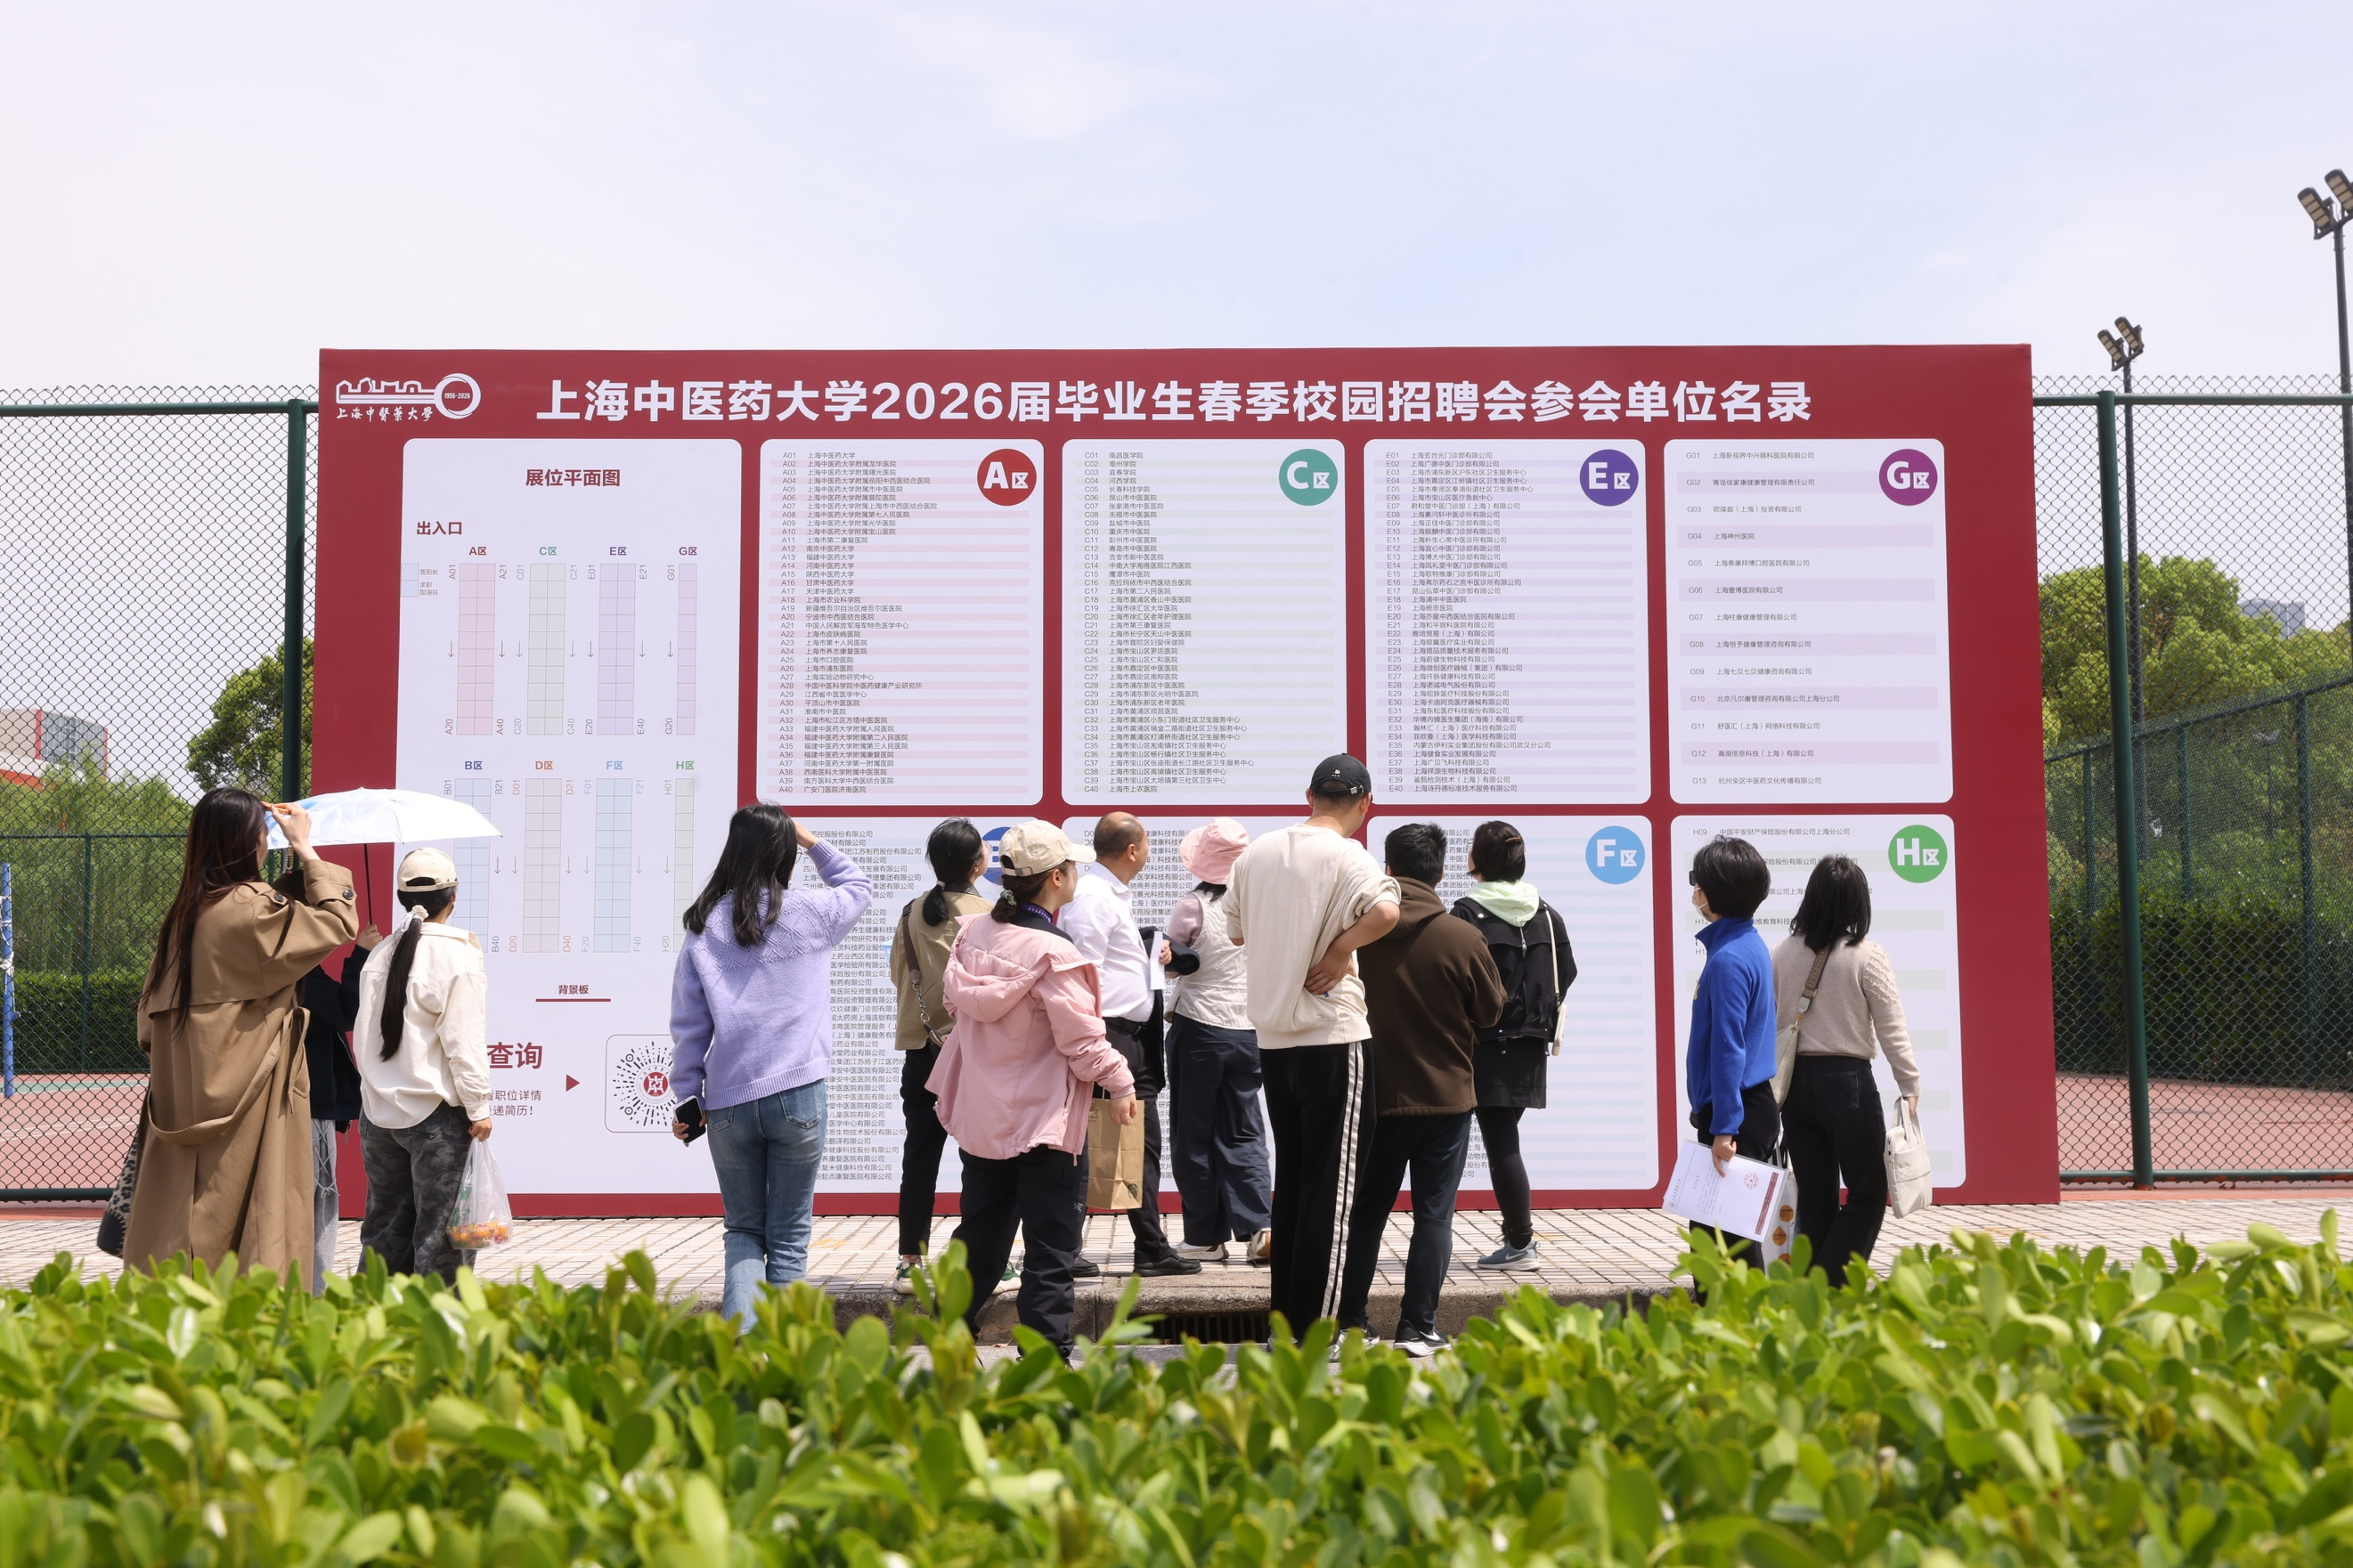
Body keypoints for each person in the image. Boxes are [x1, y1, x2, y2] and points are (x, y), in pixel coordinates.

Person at [125, 790, 357, 1283]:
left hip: (183, 1095)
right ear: (251, 842)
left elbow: (148, 1027)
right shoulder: (253, 910)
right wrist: (306, 850)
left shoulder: (183, 916)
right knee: (258, 1210)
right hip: (253, 1094)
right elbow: (339, 922)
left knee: (187, 1217)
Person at [930, 820, 1139, 1357]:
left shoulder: (974, 933)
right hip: (1045, 1120)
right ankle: (1044, 1358)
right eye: (1071, 867)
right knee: (1051, 1245)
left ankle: (947, 1341)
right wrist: (1121, 1082)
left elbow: (955, 1005)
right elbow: (1082, 1043)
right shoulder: (1055, 953)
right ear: (1056, 878)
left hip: (984, 1113)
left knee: (980, 1236)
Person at [670, 805, 872, 1330]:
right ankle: (781, 1353)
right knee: (788, 1233)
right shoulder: (810, 912)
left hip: (729, 1102)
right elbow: (858, 885)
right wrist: (810, 840)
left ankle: (742, 1345)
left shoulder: (704, 925)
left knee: (742, 1230)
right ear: (784, 854)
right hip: (799, 1095)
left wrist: (687, 1095)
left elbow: (689, 1024)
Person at [1225, 755, 1401, 1337]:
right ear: (1365, 804)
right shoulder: (1349, 855)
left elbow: (1235, 930)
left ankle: (1287, 1326)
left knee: (1297, 1186)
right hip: (1333, 1035)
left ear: (1309, 795)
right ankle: (1318, 1334)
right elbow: (1386, 910)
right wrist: (1338, 949)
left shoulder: (1257, 853)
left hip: (1275, 1040)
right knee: (1335, 1190)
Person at [1338, 823, 1503, 1354]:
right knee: (1435, 1214)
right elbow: (1491, 1011)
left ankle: (1350, 1323)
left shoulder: (1356, 935)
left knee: (1366, 1213)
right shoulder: (1462, 936)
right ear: (1441, 873)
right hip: (1446, 1098)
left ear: (1387, 869)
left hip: (1375, 1099)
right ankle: (1418, 1326)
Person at [1774, 855, 1922, 1287]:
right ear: (1858, 902)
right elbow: (1892, 1027)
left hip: (1794, 1085)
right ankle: (1830, 1285)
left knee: (1816, 1197)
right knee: (1868, 1192)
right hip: (1847, 1083)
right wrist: (1909, 1084)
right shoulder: (1867, 956)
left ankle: (1810, 1295)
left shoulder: (1781, 953)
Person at [1063, 813, 1199, 1277]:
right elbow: (1084, 974)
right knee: (1094, 1141)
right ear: (1132, 850)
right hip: (1110, 1036)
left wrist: (1150, 956)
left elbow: (1110, 964)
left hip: (1128, 1035)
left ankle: (1148, 1246)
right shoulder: (1093, 897)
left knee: (1135, 1143)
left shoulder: (1108, 893)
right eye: (1146, 844)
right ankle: (1072, 1249)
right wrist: (1096, 1041)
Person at [354, 848, 493, 1285]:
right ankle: (438, 1324)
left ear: (401, 897)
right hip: (435, 1116)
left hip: (378, 1115)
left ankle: (368, 1317)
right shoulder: (458, 956)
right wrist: (479, 1106)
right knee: (442, 1240)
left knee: (384, 1230)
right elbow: (462, 1042)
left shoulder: (381, 953)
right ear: (454, 896)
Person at [1449, 821, 1575, 1271]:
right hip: (1532, 1043)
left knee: (1501, 1142)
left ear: (1476, 860)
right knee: (1504, 1137)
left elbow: (1453, 979)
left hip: (1484, 1043)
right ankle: (1515, 1238)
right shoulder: (1546, 912)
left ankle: (1521, 1243)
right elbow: (1567, 971)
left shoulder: (1465, 913)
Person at [887, 818, 990, 1292]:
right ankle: (980, 1259)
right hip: (973, 1052)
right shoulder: (990, 914)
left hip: (921, 1049)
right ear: (976, 865)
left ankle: (911, 1260)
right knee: (981, 1159)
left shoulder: (912, 911)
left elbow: (898, 975)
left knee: (920, 1156)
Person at [1162, 818, 1272, 1264]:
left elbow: (1171, 962)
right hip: (1251, 1028)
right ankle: (1261, 1227)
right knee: (1245, 1130)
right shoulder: (1265, 902)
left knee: (1193, 1133)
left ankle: (1205, 1237)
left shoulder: (1193, 905)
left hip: (1200, 1027)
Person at [1684, 835, 1778, 1269]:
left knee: (1722, 1244)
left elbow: (1728, 1050)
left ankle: (1740, 1313)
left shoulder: (1728, 960)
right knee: (1727, 1238)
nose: (1695, 891)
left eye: (1698, 882)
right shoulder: (1747, 945)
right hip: (1746, 1108)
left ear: (1715, 893)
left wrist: (1724, 1128)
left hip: (1735, 1114)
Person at [302, 919, 379, 1292]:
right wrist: (361, 953)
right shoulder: (294, 973)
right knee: (318, 1202)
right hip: (305, 1108)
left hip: (293, 1103)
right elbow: (345, 1009)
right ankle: (313, 1295)